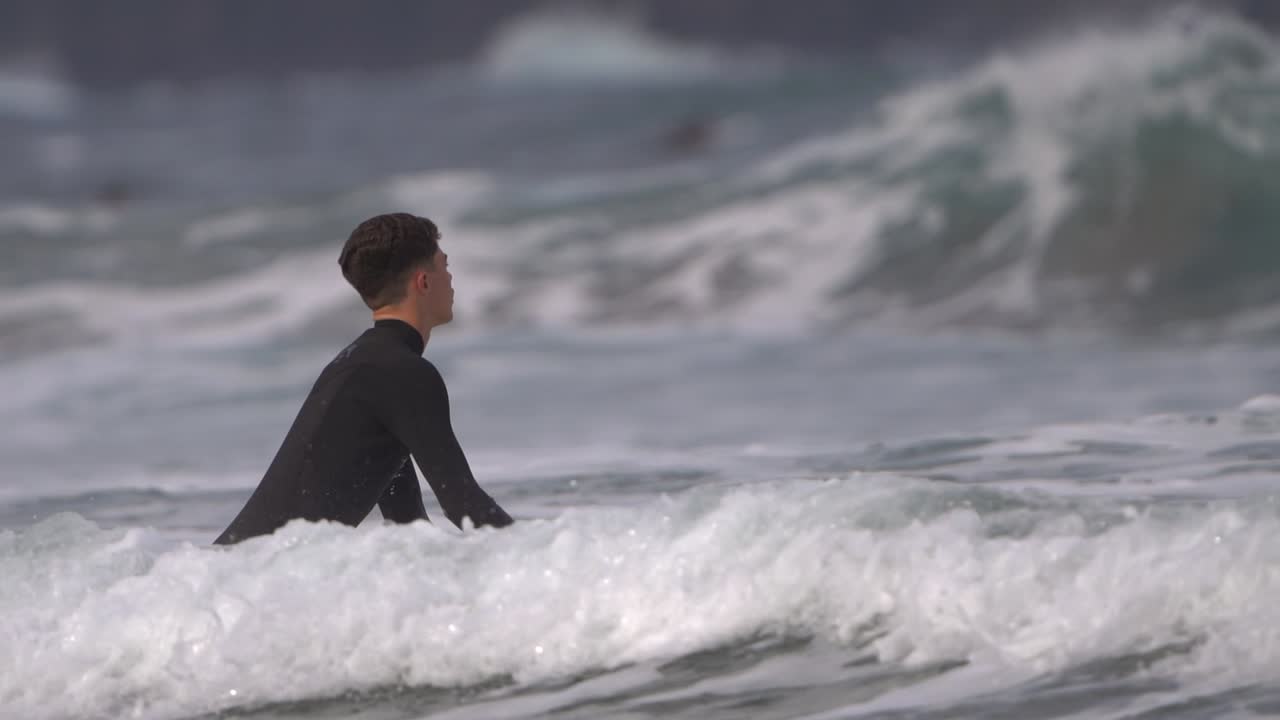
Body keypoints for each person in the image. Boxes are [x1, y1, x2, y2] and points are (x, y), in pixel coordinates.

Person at [214, 213, 513, 544]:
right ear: (423, 282)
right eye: (445, 266)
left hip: (239, 567)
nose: (451, 278)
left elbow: (407, 522)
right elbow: (463, 504)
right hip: (257, 570)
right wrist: (544, 551)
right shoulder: (402, 374)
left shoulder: (365, 366)